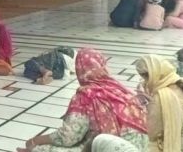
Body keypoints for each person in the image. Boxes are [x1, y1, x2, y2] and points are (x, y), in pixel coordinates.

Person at [17, 49, 148, 152]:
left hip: (111, 147)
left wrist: (35, 141)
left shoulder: (86, 96)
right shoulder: (119, 89)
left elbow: (68, 137)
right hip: (140, 147)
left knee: (39, 149)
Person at [123, 55, 183, 152]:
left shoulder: (162, 97)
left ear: (154, 75)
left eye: (145, 77)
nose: (145, 82)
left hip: (178, 144)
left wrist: (147, 106)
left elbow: (153, 132)